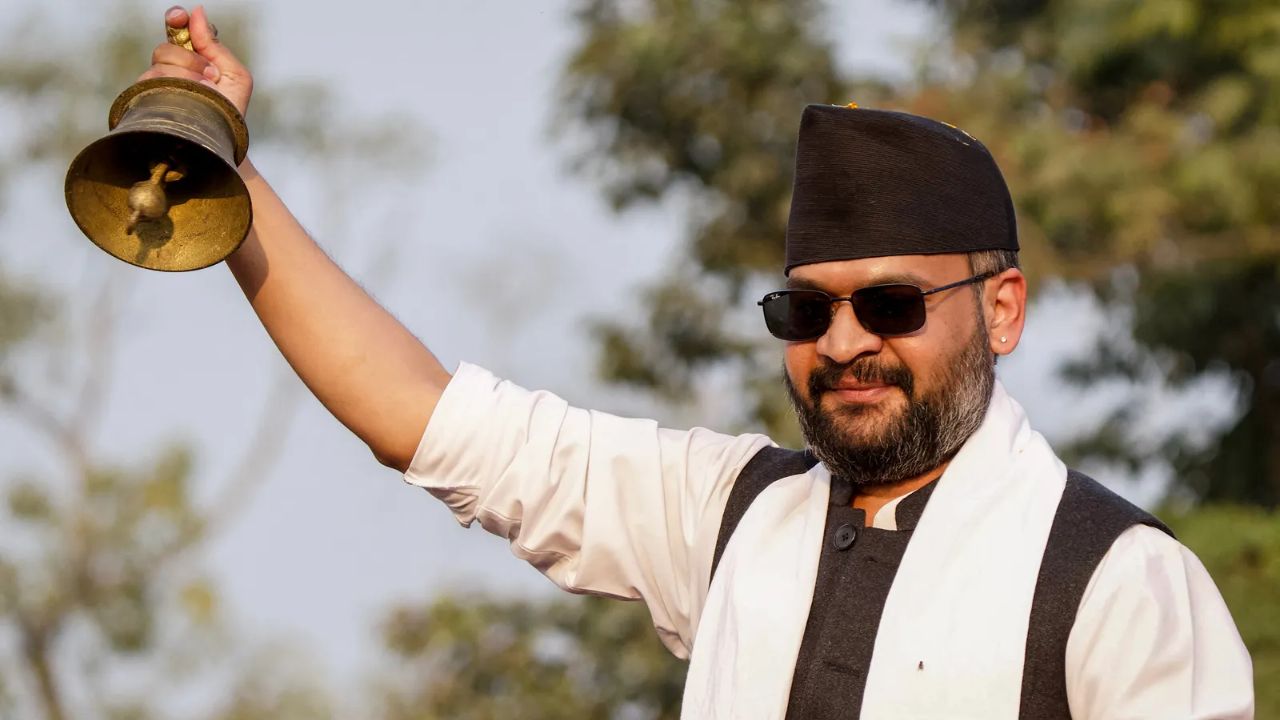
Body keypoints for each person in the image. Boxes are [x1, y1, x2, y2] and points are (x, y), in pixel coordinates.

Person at [142, 6, 1254, 719]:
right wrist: (222, 173)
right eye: (805, 311)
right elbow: (419, 417)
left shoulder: (1114, 580)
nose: (844, 344)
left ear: (1001, 311)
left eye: (890, 304)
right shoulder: (734, 516)